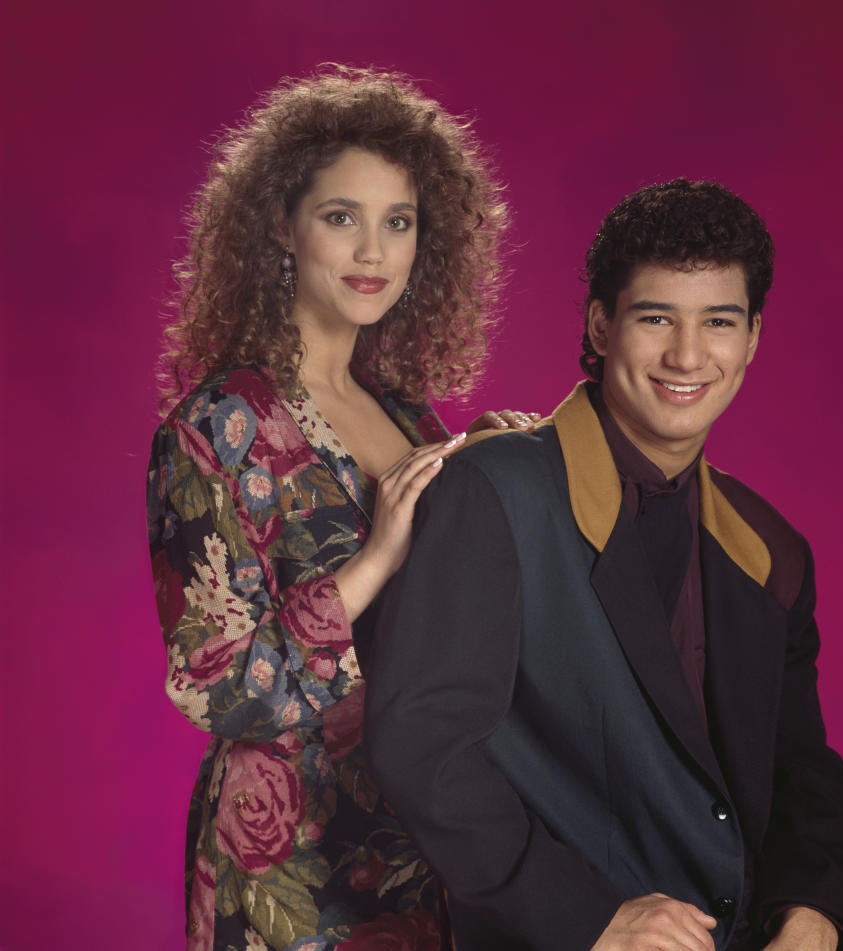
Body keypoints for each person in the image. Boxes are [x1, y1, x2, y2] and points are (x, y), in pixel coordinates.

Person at [365, 180, 843, 950]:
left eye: (718, 321)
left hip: (754, 918)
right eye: (656, 318)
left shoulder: (772, 548)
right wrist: (596, 916)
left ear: (751, 339)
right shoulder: (495, 489)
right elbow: (423, 744)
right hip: (586, 926)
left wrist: (812, 911)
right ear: (601, 325)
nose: (687, 355)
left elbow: (801, 771)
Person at [146, 65, 535, 950]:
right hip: (286, 861)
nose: (373, 251)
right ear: (282, 225)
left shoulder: (404, 413)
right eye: (340, 217)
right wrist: (375, 560)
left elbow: (446, 624)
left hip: (417, 840)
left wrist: (494, 467)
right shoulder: (218, 424)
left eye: (397, 222)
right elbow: (211, 690)